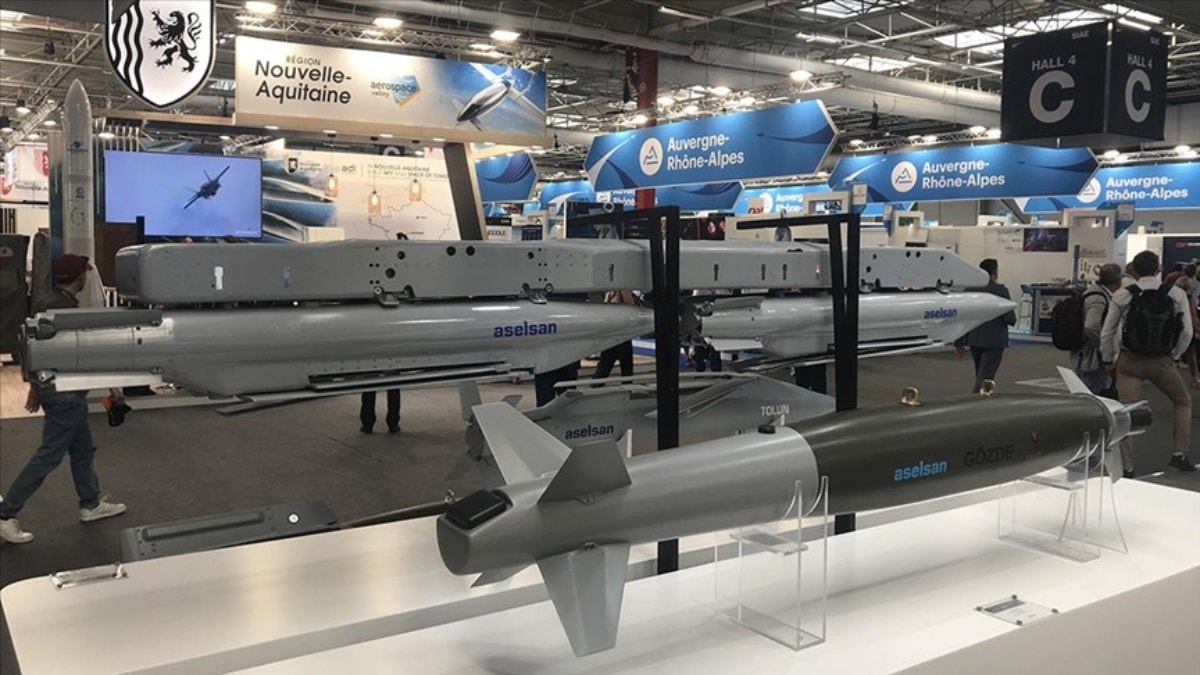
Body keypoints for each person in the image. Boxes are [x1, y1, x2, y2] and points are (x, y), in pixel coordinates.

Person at [1, 254, 127, 545]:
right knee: (49, 455)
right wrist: (112, 384)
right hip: (65, 393)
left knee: (83, 449)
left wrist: (36, 386)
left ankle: (90, 503)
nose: (87, 277)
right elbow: (83, 354)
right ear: (79, 277)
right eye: (85, 272)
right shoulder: (67, 310)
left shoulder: (45, 302)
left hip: (59, 389)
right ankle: (6, 514)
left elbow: (32, 348)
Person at [1100, 250, 1194, 477]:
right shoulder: (1176, 293)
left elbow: (1107, 332)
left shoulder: (1123, 294)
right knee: (1183, 402)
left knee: (1126, 412)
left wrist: (1108, 359)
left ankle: (1127, 468)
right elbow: (1187, 332)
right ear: (1158, 268)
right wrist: (1175, 355)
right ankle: (1179, 454)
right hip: (1162, 362)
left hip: (1130, 361)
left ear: (1133, 269)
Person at [955, 259, 1017, 393]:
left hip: (974, 339)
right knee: (985, 378)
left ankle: (982, 398)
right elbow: (1010, 318)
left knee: (980, 373)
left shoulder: (969, 290)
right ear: (995, 272)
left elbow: (963, 317)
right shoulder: (1001, 291)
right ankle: (976, 400)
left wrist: (958, 342)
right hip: (994, 341)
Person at [1071, 263, 1123, 395]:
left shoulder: (1098, 293)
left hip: (1090, 353)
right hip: (1091, 356)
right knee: (1093, 392)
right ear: (1118, 281)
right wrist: (1104, 347)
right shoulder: (1098, 298)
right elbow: (1091, 326)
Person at [593, 290, 638, 380]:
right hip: (612, 334)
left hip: (622, 334)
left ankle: (626, 385)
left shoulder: (623, 291)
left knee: (625, 367)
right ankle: (597, 383)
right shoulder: (610, 292)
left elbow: (630, 307)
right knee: (605, 366)